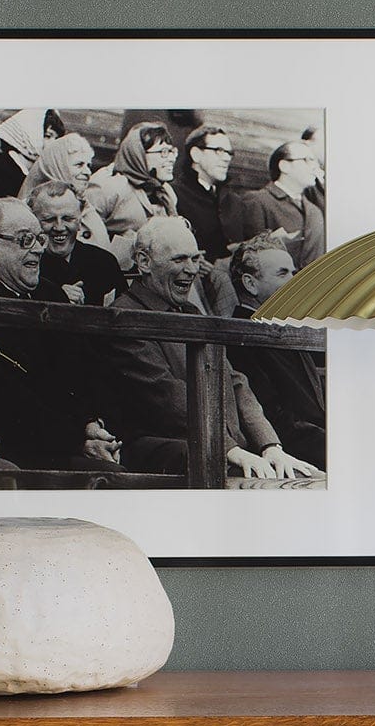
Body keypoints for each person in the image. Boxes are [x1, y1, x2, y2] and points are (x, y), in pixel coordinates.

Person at [100, 216, 315, 484]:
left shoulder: (191, 312)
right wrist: (230, 450)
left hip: (224, 450)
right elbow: (167, 396)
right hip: (175, 457)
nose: (191, 269)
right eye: (179, 259)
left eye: (194, 258)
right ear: (144, 262)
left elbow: (235, 381)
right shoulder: (125, 316)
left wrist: (270, 446)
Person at [0, 198, 124, 475]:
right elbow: (3, 403)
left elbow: (85, 370)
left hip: (73, 439)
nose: (40, 249)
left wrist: (92, 425)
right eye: (25, 240)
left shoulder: (50, 294)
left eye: (39, 239)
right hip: (17, 452)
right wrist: (78, 439)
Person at [211, 230, 327, 474]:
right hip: (291, 459)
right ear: (250, 284)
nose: (295, 281)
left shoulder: (281, 326)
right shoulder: (241, 338)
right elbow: (276, 417)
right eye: (283, 274)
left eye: (294, 272)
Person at [226, 137, 326, 271]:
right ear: (284, 166)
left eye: (315, 161)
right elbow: (249, 259)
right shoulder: (257, 201)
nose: (315, 167)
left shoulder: (315, 211)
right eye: (307, 160)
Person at [30, 179, 124, 306]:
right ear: (33, 221)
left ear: (80, 221)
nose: (59, 227)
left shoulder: (104, 262)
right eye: (49, 219)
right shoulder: (25, 266)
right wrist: (55, 296)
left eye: (68, 219)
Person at [86, 122, 181, 235]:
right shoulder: (108, 187)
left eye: (172, 151)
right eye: (164, 152)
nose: (172, 159)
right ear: (138, 154)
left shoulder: (167, 194)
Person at [176, 122, 242, 258]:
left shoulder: (234, 201)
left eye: (229, 153)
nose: (227, 158)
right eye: (219, 150)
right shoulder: (174, 194)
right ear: (196, 154)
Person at [0, 109, 54, 203]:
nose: (54, 142)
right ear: (30, 135)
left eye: (57, 138)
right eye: (48, 136)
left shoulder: (38, 171)